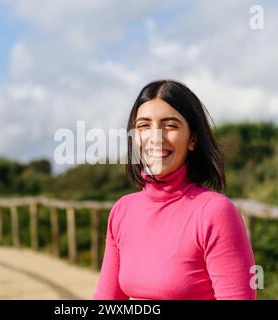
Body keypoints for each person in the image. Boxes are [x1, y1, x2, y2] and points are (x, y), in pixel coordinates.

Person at [93, 79, 256, 300]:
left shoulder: (215, 212)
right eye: (144, 126)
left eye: (170, 125)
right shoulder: (122, 211)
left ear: (192, 139)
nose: (155, 138)